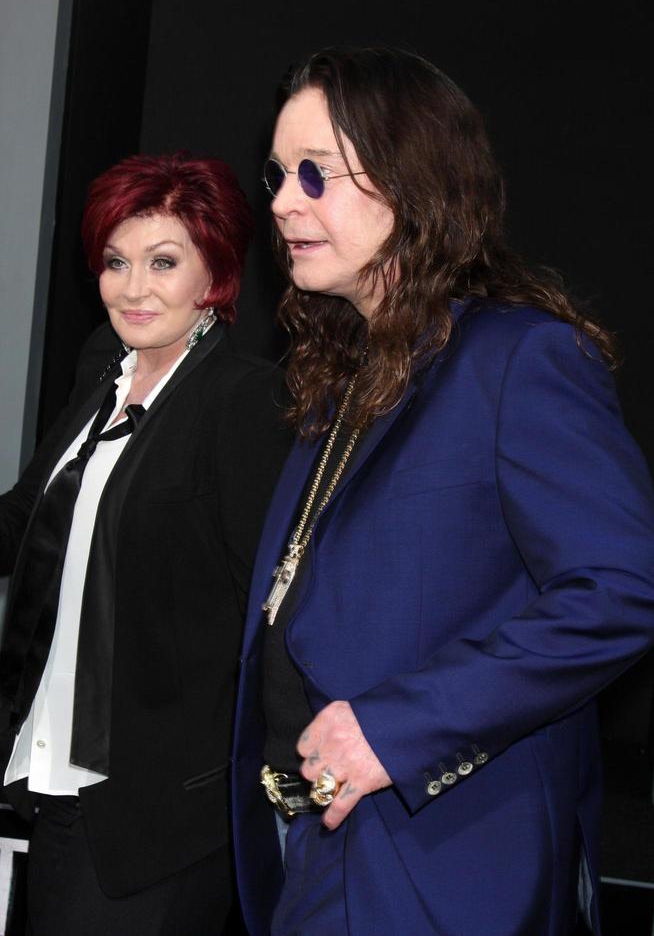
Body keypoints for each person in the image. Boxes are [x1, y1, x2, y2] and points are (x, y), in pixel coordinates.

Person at [230, 47, 654, 935]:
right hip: (315, 856)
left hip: (447, 873)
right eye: (277, 172)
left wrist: (396, 730)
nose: (280, 200)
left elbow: (621, 592)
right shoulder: (347, 372)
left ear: (410, 183)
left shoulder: (520, 356)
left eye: (316, 174)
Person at [0, 152, 291, 934]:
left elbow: (271, 605)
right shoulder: (103, 364)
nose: (133, 288)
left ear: (215, 275)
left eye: (163, 263)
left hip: (159, 809)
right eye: (116, 262)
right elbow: (32, 515)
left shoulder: (243, 401)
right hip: (54, 776)